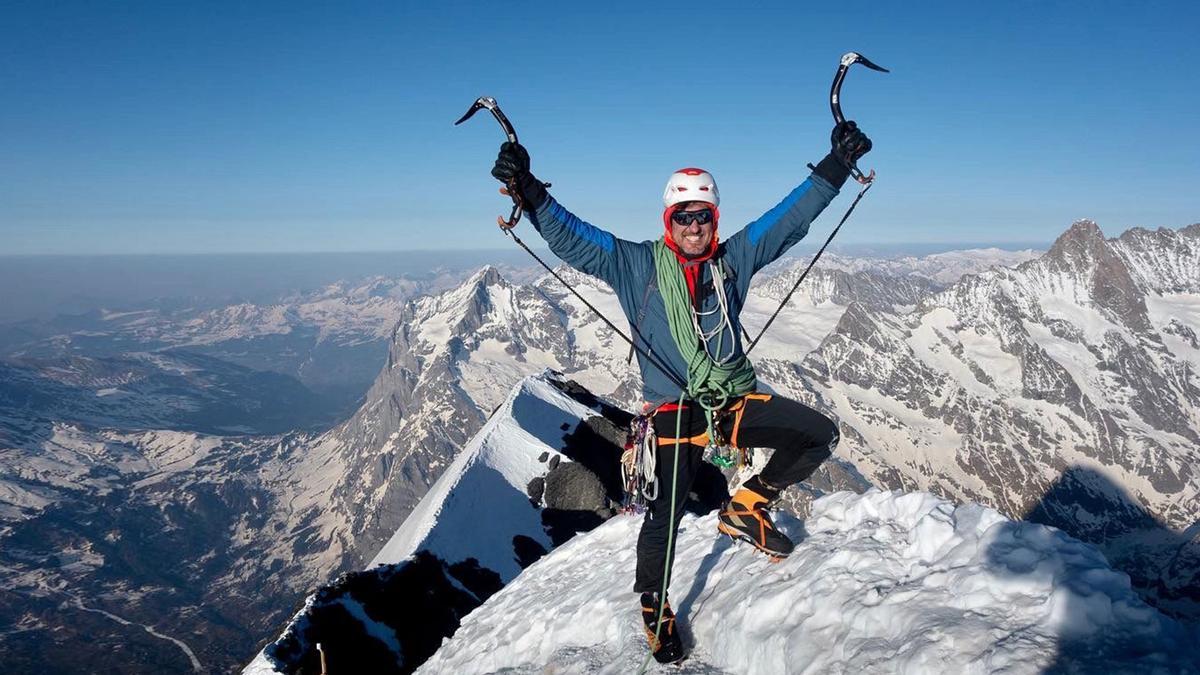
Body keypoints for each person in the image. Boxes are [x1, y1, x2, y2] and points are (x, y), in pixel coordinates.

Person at [491, 121, 871, 664]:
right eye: (683, 218)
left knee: (817, 435)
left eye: (703, 217)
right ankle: (654, 603)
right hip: (673, 411)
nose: (694, 227)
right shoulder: (635, 265)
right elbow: (572, 235)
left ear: (714, 219)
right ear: (669, 221)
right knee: (665, 514)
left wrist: (835, 166)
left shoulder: (732, 261)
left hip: (730, 400)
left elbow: (788, 220)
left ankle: (748, 506)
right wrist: (528, 190)